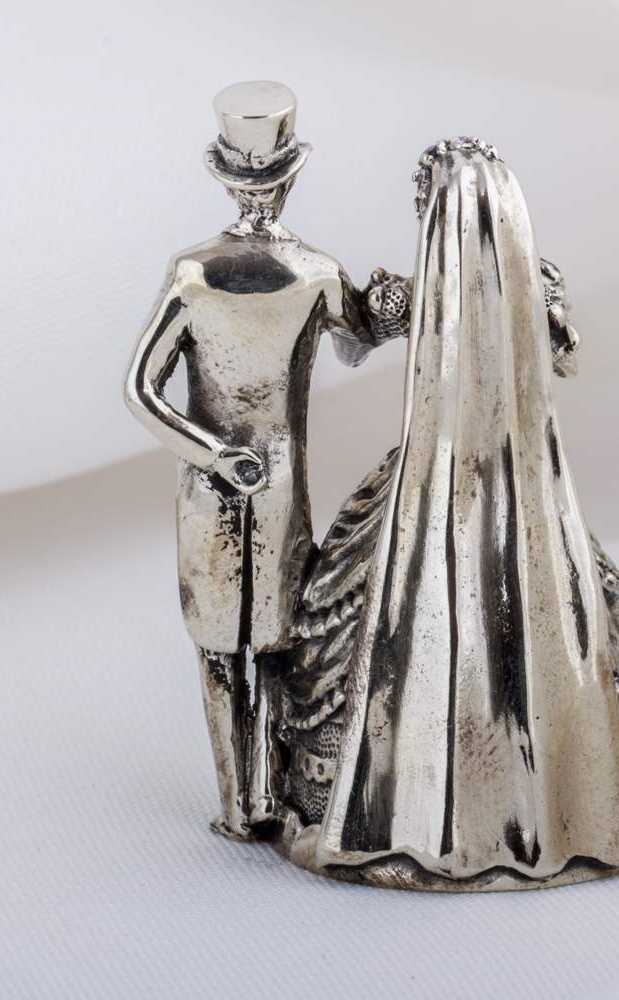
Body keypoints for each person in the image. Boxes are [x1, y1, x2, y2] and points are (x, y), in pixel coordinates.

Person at [314, 139, 619, 884]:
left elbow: (351, 343)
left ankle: (412, 815)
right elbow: (567, 356)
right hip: (532, 490)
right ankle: (564, 811)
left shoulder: (409, 293)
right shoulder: (540, 280)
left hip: (431, 486)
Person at [124, 82, 390, 839]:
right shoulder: (311, 272)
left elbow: (141, 390)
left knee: (242, 647)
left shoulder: (199, 271)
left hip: (225, 488)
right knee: (258, 644)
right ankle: (257, 799)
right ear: (290, 177)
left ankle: (247, 803)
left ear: (225, 176)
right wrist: (391, 307)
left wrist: (212, 455)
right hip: (259, 486)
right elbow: (359, 343)